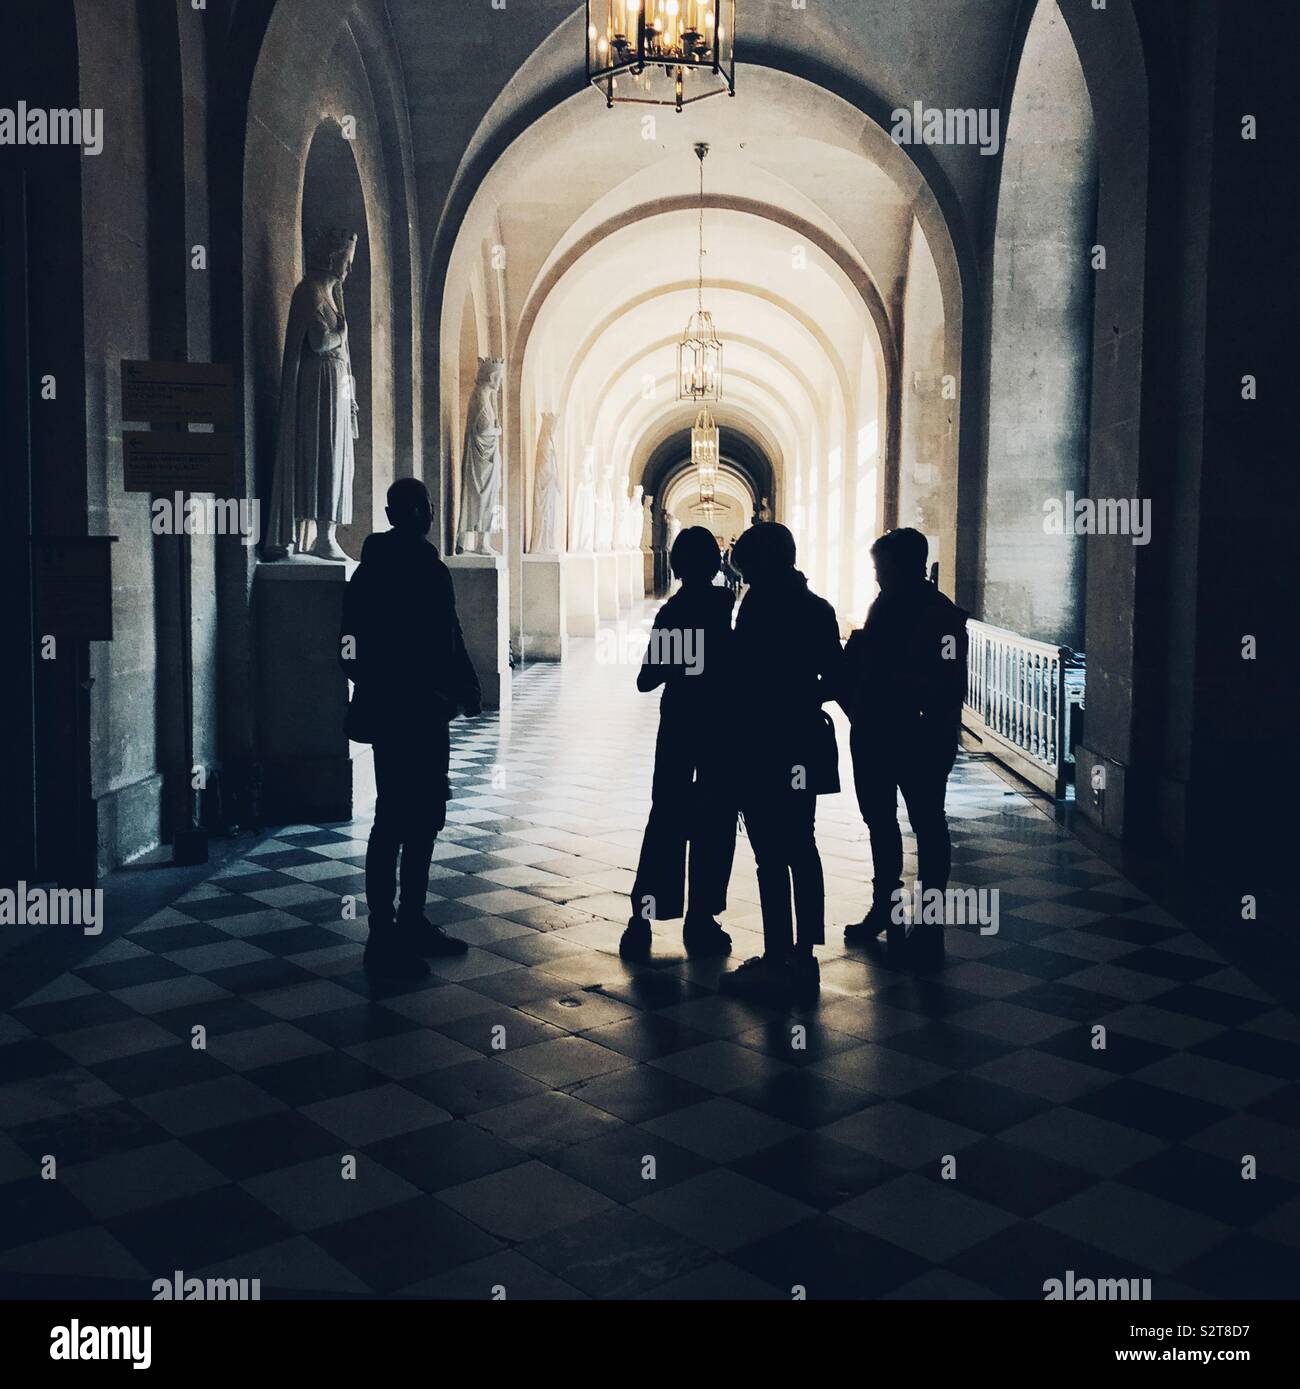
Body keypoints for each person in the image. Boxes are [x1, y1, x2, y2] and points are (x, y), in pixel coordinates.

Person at [339, 478, 482, 976]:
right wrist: (381, 681)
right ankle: (383, 933)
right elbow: (350, 642)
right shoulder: (377, 571)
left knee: (423, 816)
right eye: (420, 505)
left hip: (426, 710)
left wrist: (464, 685)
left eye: (426, 503)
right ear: (401, 512)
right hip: (404, 711)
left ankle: (410, 921)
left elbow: (450, 631)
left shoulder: (427, 569)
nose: (427, 512)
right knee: (395, 819)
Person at [719, 523, 844, 1002]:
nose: (745, 577)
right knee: (802, 846)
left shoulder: (758, 607)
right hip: (805, 740)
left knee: (771, 854)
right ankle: (805, 957)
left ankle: (776, 959)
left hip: (763, 742)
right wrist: (800, 695)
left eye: (748, 569)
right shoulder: (818, 608)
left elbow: (742, 678)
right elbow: (833, 678)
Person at [841, 528, 968, 968]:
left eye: (881, 569)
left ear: (905, 566)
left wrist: (883, 673)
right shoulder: (891, 605)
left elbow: (949, 684)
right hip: (882, 730)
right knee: (883, 821)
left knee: (927, 825)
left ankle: (928, 926)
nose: (877, 578)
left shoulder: (941, 617)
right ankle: (888, 911)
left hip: (917, 734)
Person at [621, 527, 737, 960]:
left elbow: (646, 680)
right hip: (721, 727)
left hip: (681, 724)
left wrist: (677, 661)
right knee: (716, 820)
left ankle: (644, 917)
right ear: (716, 564)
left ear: (677, 566)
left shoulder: (673, 614)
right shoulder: (726, 610)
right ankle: (702, 918)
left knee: (666, 817)